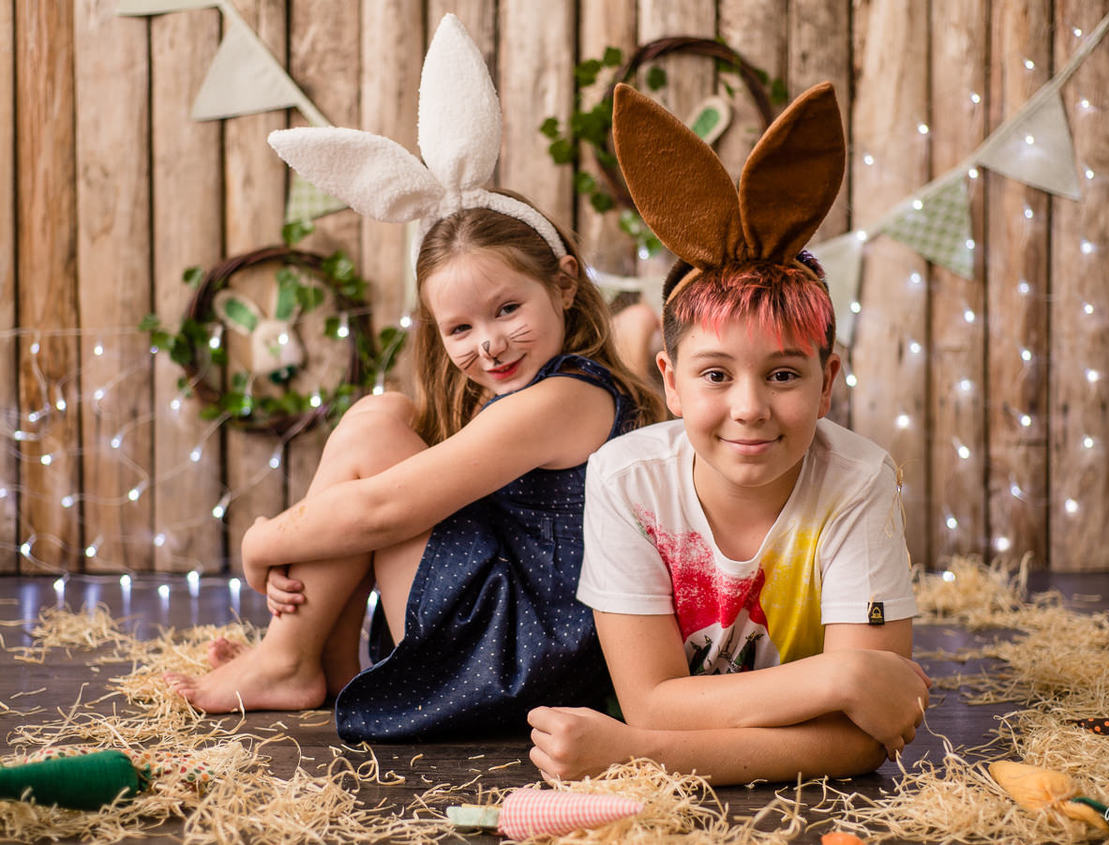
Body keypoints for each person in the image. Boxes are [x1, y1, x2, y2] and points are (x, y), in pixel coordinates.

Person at [165, 15, 664, 743]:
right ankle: (321, 659)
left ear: (563, 284)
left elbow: (382, 511)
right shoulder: (547, 386)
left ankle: (287, 658)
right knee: (388, 414)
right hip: (525, 631)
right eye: (460, 328)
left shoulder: (564, 397)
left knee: (374, 437)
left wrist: (262, 540)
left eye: (508, 309)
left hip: (532, 660)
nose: (489, 343)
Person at [526, 81, 931, 785]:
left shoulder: (858, 482)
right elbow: (650, 703)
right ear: (671, 381)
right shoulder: (627, 480)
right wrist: (841, 678)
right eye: (716, 374)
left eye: (783, 374)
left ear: (827, 382)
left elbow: (869, 740)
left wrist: (636, 752)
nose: (750, 408)